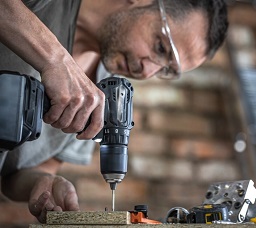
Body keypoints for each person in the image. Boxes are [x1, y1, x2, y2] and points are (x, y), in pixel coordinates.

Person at [0, 0, 228, 223]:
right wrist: (55, 59)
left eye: (165, 69)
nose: (147, 72)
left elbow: (17, 174)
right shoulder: (46, 4)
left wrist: (42, 183)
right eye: (160, 47)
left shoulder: (107, 95)